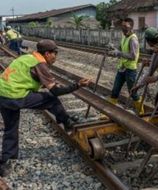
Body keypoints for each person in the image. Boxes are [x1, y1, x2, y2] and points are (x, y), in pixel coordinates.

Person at [0, 39, 91, 176]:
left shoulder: (27, 57)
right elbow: (55, 91)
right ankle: (67, 123)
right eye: (55, 54)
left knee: (11, 128)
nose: (55, 57)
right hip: (14, 95)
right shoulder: (40, 63)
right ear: (47, 53)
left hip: (2, 94)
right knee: (50, 99)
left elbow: (29, 78)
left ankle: (4, 163)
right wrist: (77, 85)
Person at [106, 18, 144, 115]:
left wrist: (118, 53)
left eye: (125, 26)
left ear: (131, 27)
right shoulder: (124, 37)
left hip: (130, 70)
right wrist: (113, 48)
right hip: (122, 68)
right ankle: (109, 112)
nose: (123, 28)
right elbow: (120, 50)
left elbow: (132, 56)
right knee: (115, 90)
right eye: (122, 26)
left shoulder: (133, 39)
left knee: (132, 92)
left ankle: (141, 112)